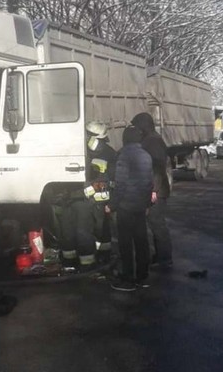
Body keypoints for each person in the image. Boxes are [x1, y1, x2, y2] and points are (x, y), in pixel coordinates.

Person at [60, 121, 116, 271]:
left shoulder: (106, 153)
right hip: (83, 198)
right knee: (78, 230)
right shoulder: (80, 150)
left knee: (93, 231)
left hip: (93, 199)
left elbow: (110, 178)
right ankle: (79, 261)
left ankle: (94, 260)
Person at [107, 126, 153, 291]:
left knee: (125, 244)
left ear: (125, 139)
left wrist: (112, 205)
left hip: (125, 206)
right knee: (141, 242)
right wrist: (147, 204)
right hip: (140, 206)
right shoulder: (146, 155)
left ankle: (127, 279)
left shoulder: (124, 156)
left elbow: (120, 185)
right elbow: (149, 183)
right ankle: (143, 277)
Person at [131, 112, 173, 268]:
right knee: (155, 223)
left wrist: (153, 190)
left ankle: (164, 258)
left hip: (156, 191)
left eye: (137, 126)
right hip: (155, 189)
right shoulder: (150, 139)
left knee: (157, 223)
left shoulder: (152, 141)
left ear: (143, 126)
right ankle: (160, 256)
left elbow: (157, 168)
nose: (136, 130)